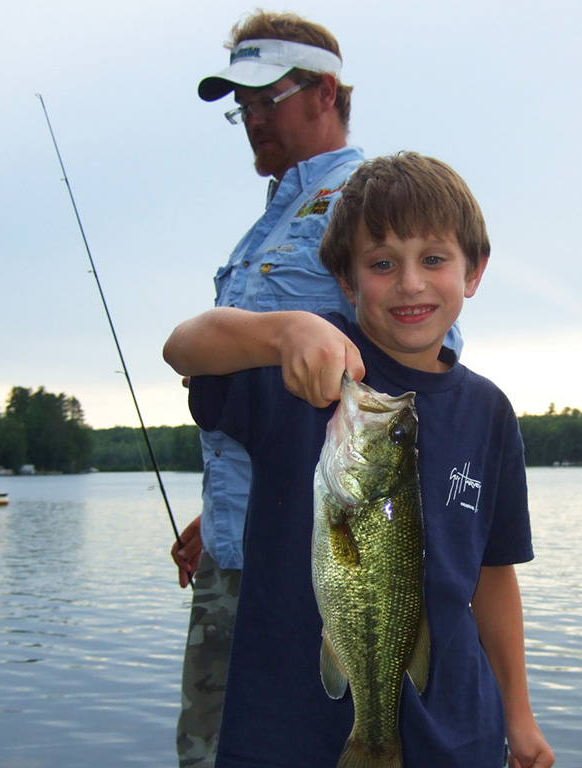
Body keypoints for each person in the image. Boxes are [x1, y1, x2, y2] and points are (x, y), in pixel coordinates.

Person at [163, 153, 555, 767]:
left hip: (455, 734)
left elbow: (494, 574)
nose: (410, 283)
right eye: (381, 263)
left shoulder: (489, 413)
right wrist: (282, 332)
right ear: (346, 281)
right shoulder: (306, 373)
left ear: (473, 271)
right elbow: (182, 346)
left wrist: (519, 714)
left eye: (434, 259)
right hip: (288, 732)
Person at [171, 11, 365, 767]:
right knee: (209, 751)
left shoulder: (367, 201)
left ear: (323, 92)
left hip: (303, 561)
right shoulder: (269, 223)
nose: (251, 118)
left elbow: (415, 373)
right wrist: (220, 502)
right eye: (240, 106)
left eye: (266, 98)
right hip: (231, 548)